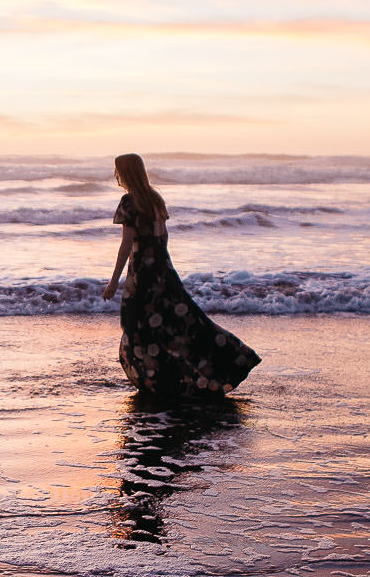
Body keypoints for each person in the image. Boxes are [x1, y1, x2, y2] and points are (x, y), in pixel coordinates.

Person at [102, 153, 258, 398]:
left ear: (126, 173)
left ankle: (157, 381)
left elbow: (126, 244)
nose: (115, 176)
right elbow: (163, 236)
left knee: (136, 324)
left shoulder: (128, 202)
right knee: (182, 321)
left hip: (142, 274)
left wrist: (114, 281)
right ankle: (229, 360)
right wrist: (163, 266)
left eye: (117, 171)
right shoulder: (155, 199)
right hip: (163, 271)